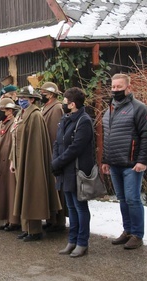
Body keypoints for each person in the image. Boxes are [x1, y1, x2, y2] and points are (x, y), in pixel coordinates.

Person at [101, 73, 147, 250]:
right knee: (122, 199)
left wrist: (142, 160)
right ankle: (127, 230)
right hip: (114, 163)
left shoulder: (139, 108)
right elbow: (107, 137)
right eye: (113, 87)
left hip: (132, 164)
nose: (115, 90)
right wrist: (105, 159)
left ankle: (137, 234)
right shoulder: (109, 109)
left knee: (133, 199)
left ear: (128, 88)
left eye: (119, 87)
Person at [10, 86, 61, 242]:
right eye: (19, 98)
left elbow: (36, 144)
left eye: (24, 98)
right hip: (20, 159)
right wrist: (13, 159)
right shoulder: (21, 113)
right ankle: (27, 228)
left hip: (31, 161)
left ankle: (35, 230)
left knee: (31, 192)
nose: (20, 101)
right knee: (23, 193)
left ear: (32, 99)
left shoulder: (35, 115)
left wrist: (30, 162)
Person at [52, 87, 94, 257]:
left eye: (64, 101)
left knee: (80, 207)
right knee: (70, 206)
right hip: (64, 169)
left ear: (73, 104)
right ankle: (72, 240)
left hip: (76, 170)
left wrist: (58, 162)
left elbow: (75, 147)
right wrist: (56, 160)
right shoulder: (65, 118)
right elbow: (58, 142)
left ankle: (82, 242)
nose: (62, 104)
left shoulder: (84, 121)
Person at [0, 98, 20, 231]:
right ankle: (6, 218)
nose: (0, 112)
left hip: (8, 163)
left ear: (10, 111)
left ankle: (14, 220)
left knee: (11, 190)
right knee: (2, 191)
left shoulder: (14, 124)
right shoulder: (1, 124)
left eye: (2, 110)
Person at [40, 82, 67, 233]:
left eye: (43, 92)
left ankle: (59, 221)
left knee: (57, 189)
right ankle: (51, 219)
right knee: (51, 188)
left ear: (50, 94)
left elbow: (55, 134)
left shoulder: (56, 108)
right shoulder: (45, 107)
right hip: (47, 152)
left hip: (53, 153)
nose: (41, 94)